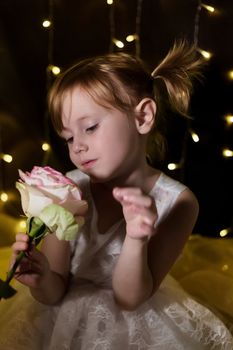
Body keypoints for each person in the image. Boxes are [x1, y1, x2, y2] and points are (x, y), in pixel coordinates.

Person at [0, 40, 232, 349]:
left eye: (90, 127)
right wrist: (41, 278)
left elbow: (129, 299)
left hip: (133, 324)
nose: (77, 146)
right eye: (68, 137)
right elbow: (56, 290)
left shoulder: (179, 203)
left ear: (142, 117)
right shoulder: (69, 188)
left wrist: (136, 238)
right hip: (59, 324)